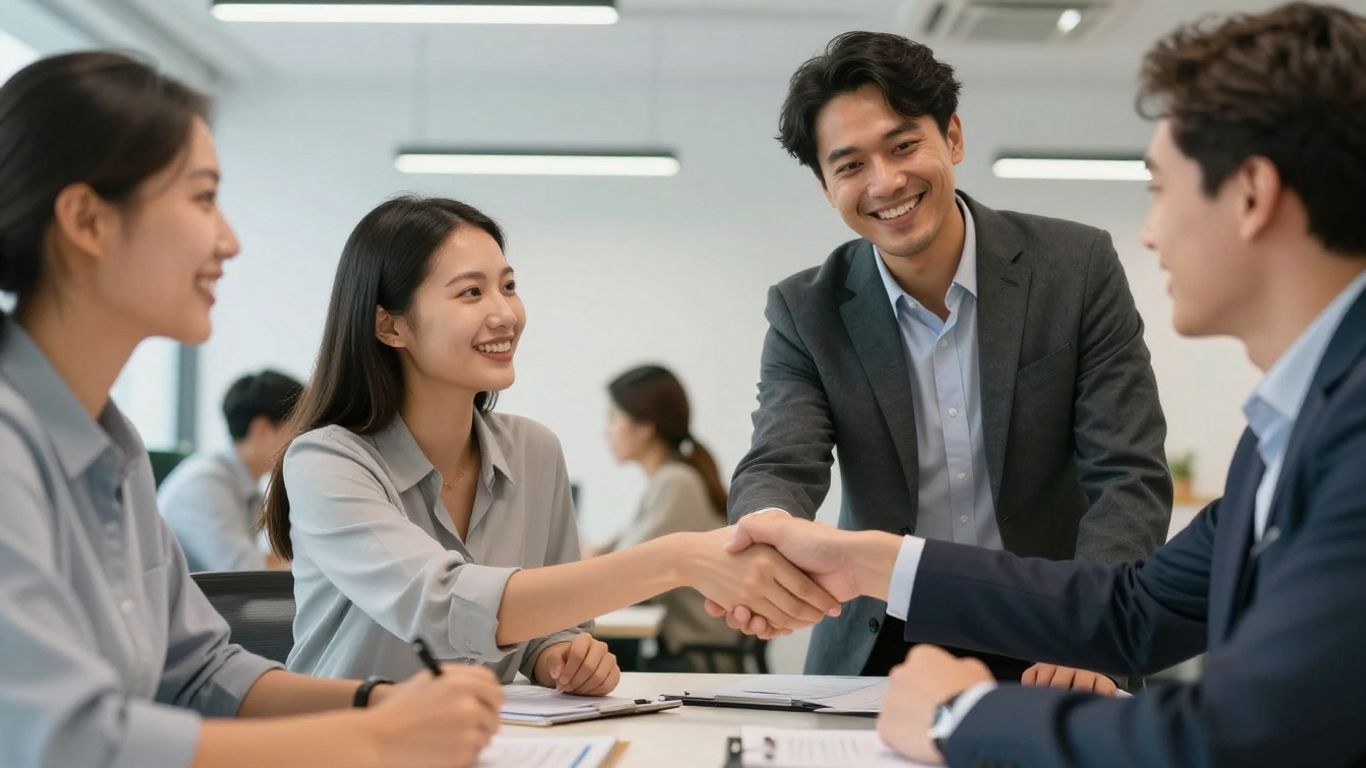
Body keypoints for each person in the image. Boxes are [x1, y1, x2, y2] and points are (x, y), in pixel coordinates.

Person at [718, 4, 1366, 765]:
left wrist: (958, 717)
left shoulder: (1080, 271)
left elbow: (1231, 730)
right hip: (898, 639)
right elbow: (1138, 609)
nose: (1150, 230)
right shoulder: (1276, 434)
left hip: (1051, 641)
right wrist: (842, 556)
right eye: (850, 163)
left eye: (1160, 189)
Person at [0, 51, 505, 768]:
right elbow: (64, 739)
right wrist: (377, 739)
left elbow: (201, 671)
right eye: (203, 199)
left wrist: (375, 702)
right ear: (87, 220)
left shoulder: (115, 449)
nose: (229, 240)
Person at [723, 29, 1172, 688]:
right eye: (849, 165)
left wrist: (1095, 632)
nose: (886, 182)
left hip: (1054, 628)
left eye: (904, 146)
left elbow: (1127, 476)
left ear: (952, 138)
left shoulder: (1075, 270)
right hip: (884, 642)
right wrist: (762, 542)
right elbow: (780, 461)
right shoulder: (805, 311)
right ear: (826, 186)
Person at [260, 196, 838, 695]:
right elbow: (443, 607)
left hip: (488, 742)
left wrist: (560, 656)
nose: (505, 313)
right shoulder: (327, 462)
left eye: (508, 286)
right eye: (470, 293)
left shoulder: (535, 451)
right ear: (391, 326)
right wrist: (679, 558)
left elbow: (553, 629)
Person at [596, 364, 744, 666]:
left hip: (696, 661)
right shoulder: (671, 479)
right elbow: (617, 551)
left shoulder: (676, 482)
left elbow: (621, 573)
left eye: (613, 418)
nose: (605, 431)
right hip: (687, 653)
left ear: (645, 427)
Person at [160, 369, 302, 571]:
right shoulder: (206, 485)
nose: (305, 442)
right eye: (299, 429)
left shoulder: (239, 481)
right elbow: (246, 575)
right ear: (261, 430)